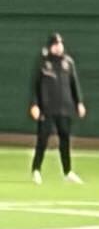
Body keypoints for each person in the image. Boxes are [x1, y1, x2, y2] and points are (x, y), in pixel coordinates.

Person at [29, 33, 86, 185]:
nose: (59, 46)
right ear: (50, 46)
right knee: (42, 140)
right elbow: (35, 85)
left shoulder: (68, 63)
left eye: (60, 44)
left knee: (65, 140)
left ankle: (68, 172)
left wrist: (79, 102)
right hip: (47, 109)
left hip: (65, 108)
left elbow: (74, 84)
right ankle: (36, 170)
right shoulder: (43, 63)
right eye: (55, 44)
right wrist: (35, 104)